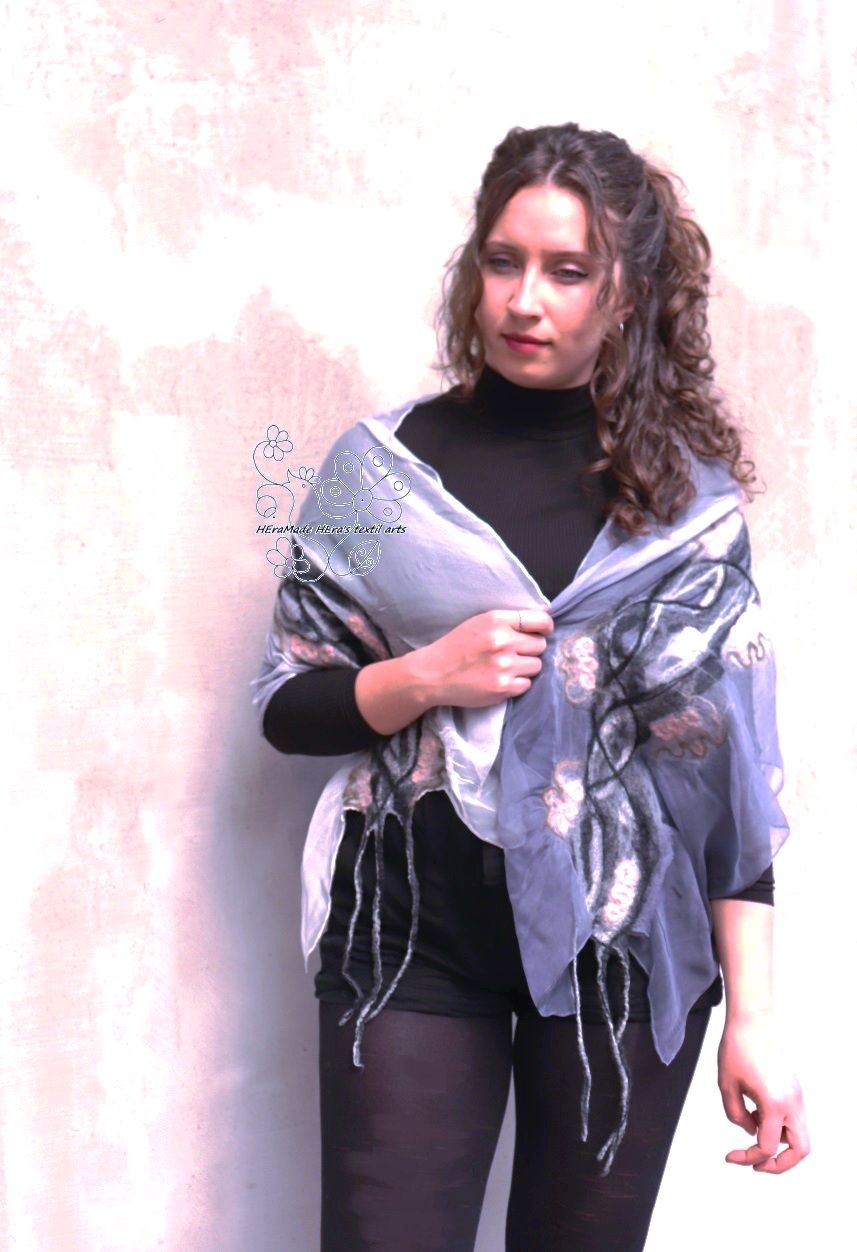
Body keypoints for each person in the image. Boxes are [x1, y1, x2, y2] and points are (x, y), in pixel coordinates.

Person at [251, 122, 810, 1251]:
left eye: (566, 271)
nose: (523, 300)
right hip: (410, 926)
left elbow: (728, 793)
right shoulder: (377, 473)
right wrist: (424, 675)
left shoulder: (689, 506)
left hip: (627, 941)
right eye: (503, 261)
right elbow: (285, 703)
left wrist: (752, 1013)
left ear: (628, 291)